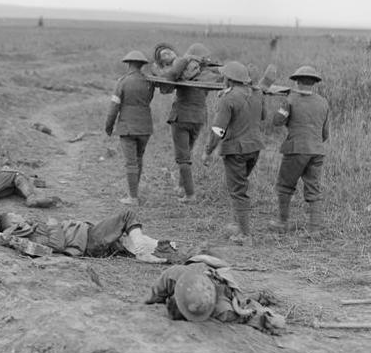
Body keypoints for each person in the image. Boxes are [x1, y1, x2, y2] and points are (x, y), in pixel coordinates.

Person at [201, 61, 265, 244]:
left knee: (238, 191)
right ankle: (238, 226)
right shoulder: (257, 94)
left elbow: (218, 131)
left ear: (229, 79)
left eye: (224, 77)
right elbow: (263, 117)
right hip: (255, 148)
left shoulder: (227, 99)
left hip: (235, 150)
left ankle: (245, 235)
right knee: (240, 187)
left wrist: (207, 151)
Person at [144, 255, 287, 334]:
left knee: (243, 294)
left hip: (223, 275)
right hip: (199, 267)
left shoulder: (223, 310)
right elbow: (149, 299)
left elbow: (258, 315)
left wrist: (266, 317)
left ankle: (260, 295)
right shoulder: (173, 275)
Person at [157, 43, 223, 203]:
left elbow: (166, 86)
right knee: (187, 153)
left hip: (181, 117)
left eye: (168, 52)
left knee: (183, 158)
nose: (168, 54)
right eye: (163, 54)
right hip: (198, 118)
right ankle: (181, 186)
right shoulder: (204, 72)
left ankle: (190, 194)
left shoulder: (179, 70)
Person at [269, 65, 330, 236]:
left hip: (296, 149)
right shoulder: (323, 102)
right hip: (317, 150)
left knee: (284, 186)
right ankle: (314, 229)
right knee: (314, 190)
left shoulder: (290, 100)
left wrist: (283, 103)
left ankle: (282, 223)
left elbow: (276, 121)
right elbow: (325, 133)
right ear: (314, 82)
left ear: (297, 81)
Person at [0, 209, 175, 262]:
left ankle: (157, 253)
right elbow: (57, 246)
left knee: (138, 244)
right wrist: (54, 226)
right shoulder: (30, 238)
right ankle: (142, 248)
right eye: (14, 216)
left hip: (87, 236)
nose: (18, 214)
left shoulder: (31, 227)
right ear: (14, 225)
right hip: (88, 240)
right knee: (126, 216)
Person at [105, 50, 155, 205]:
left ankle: (132, 197)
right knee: (139, 159)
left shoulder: (123, 82)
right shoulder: (149, 82)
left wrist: (109, 126)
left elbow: (114, 107)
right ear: (141, 65)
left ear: (128, 64)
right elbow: (149, 100)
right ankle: (134, 193)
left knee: (130, 162)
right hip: (145, 127)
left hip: (127, 127)